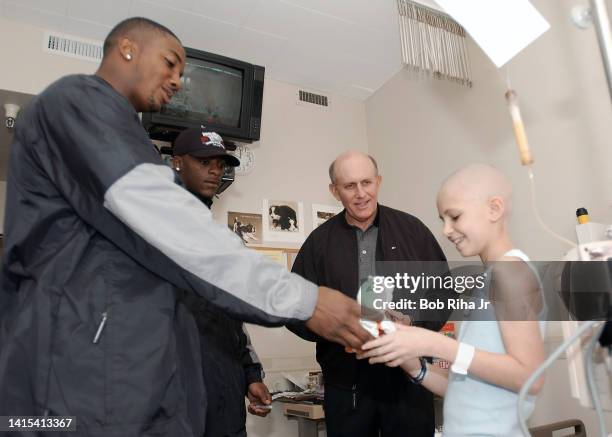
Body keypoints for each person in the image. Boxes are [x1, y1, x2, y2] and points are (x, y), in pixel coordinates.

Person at [0, 17, 370, 436]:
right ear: (127, 48)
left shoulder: (125, 138)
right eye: (171, 63)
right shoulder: (79, 101)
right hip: (77, 387)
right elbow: (170, 225)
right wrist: (309, 301)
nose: (178, 80)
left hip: (140, 389)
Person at [359, 164, 546, 436]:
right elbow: (466, 388)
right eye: (442, 220)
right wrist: (411, 360)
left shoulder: (512, 272)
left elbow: (531, 377)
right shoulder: (488, 280)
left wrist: (433, 343)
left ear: (494, 209)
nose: (446, 230)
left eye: (455, 217)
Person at [288, 150, 447, 437]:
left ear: (379, 182)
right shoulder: (318, 244)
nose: (361, 193)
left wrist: (412, 323)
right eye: (350, 186)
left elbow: (443, 295)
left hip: (408, 381)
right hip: (346, 387)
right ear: (334, 191)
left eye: (367, 183)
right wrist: (334, 328)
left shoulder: (414, 232)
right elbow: (293, 308)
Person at [171, 127, 272, 436]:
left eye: (220, 163)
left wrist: (250, 375)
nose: (215, 170)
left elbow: (234, 320)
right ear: (177, 163)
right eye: (204, 162)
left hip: (226, 402)